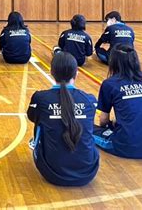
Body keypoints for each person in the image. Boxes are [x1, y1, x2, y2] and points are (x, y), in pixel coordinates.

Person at [27, 52, 99, 186]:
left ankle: (43, 148)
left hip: (52, 173)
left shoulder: (40, 98)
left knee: (40, 120)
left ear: (51, 72)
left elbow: (32, 117)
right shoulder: (90, 100)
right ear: (76, 73)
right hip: (88, 173)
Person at [93, 44, 142, 159]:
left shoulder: (109, 83)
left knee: (86, 129)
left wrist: (108, 126)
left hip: (126, 146)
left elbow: (103, 120)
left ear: (113, 62)